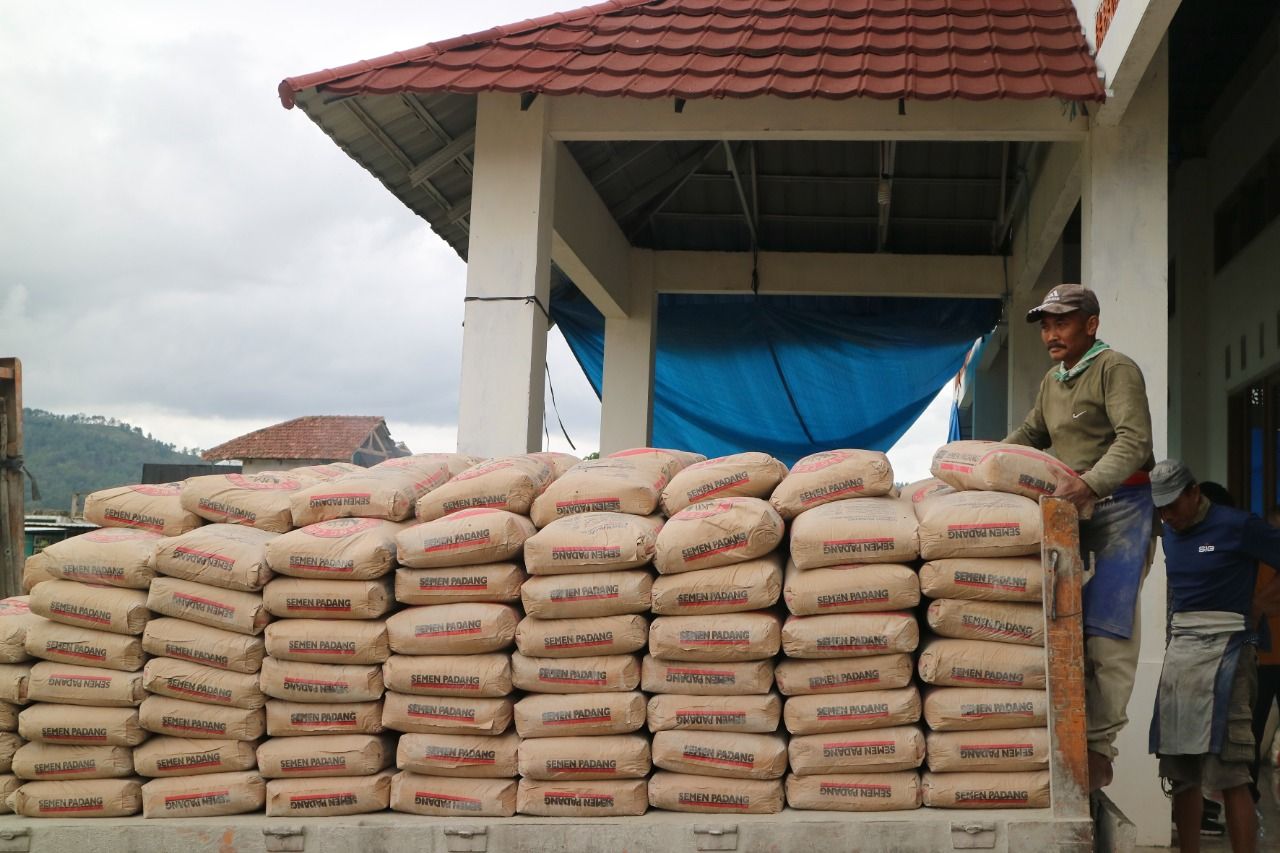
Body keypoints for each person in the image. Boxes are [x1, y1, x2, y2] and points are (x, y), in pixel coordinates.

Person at [1005, 283, 1156, 791]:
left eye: (1061, 322)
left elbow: (1135, 441)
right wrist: (981, 465)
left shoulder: (1116, 368)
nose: (1051, 333)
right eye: (1046, 325)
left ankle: (1099, 744)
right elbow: (1028, 437)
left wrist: (1089, 483)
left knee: (1108, 630)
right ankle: (1061, 729)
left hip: (1120, 510)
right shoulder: (1053, 380)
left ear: (1090, 324)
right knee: (1060, 624)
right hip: (1071, 513)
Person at [1150, 460, 1280, 853]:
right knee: (1182, 773)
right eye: (1161, 510)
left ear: (1194, 492)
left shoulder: (1238, 525)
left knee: (1231, 773)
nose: (1168, 516)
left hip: (1231, 652)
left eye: (1173, 505)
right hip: (1181, 655)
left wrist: (1259, 604)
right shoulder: (1168, 531)